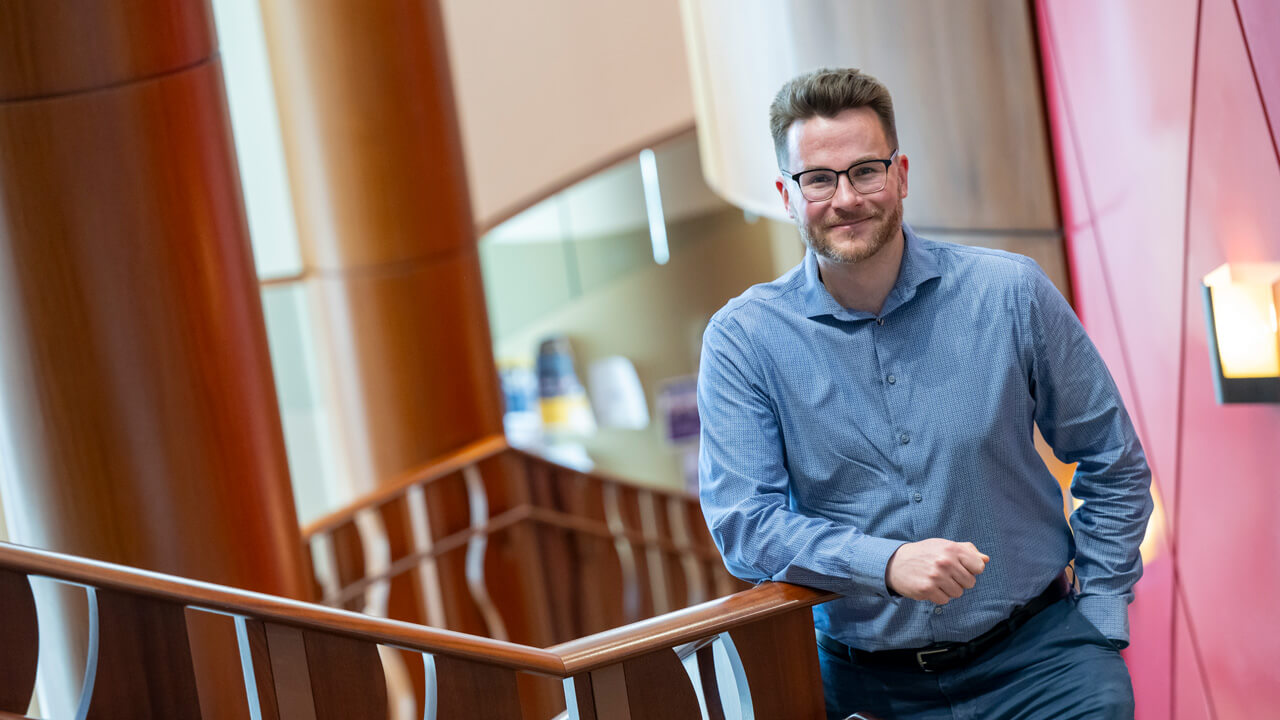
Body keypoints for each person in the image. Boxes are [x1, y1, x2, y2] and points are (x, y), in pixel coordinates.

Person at [697, 67, 1153, 720]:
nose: (845, 198)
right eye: (818, 179)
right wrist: (883, 563)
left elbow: (1112, 459)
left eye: (865, 171)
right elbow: (746, 527)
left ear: (901, 175)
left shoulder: (1009, 293)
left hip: (1043, 662)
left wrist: (1100, 616)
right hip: (868, 691)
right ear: (786, 195)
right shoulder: (744, 341)